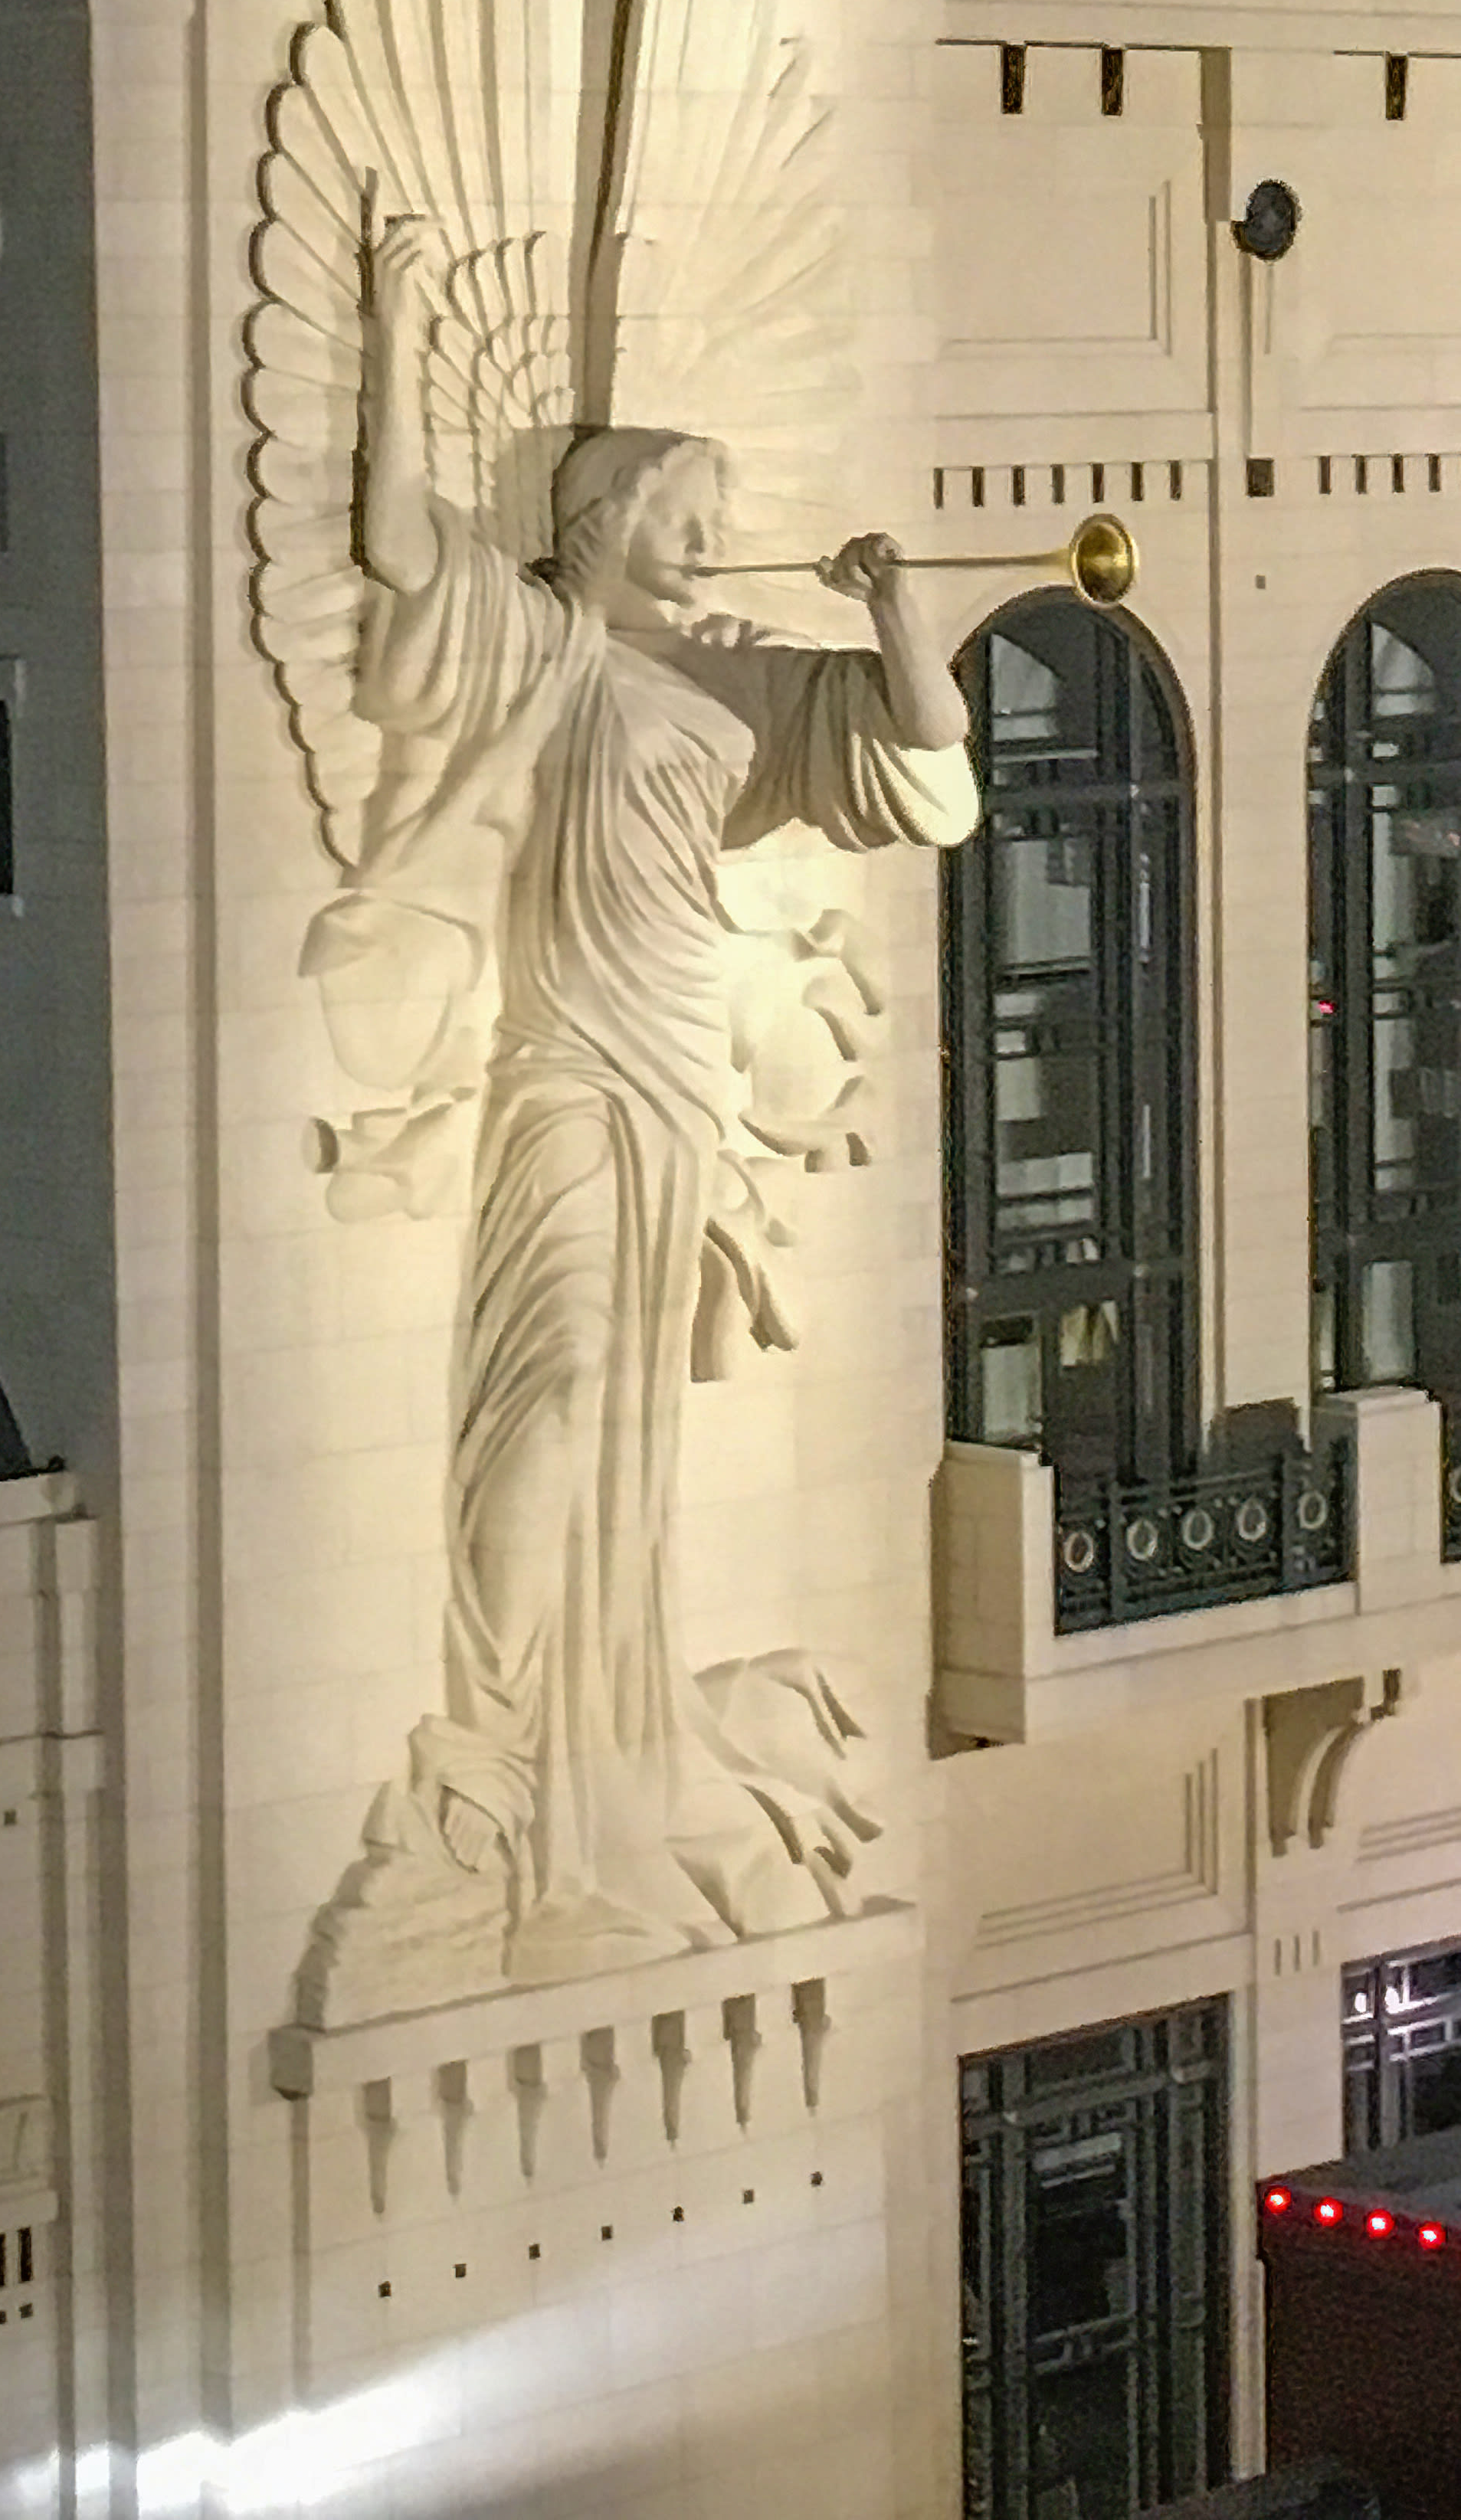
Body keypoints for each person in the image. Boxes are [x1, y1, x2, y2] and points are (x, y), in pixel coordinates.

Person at [323, 219, 976, 1991]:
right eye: (680, 524)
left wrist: (896, 603)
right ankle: (503, 1728)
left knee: (622, 1421)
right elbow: (394, 541)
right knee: (541, 1401)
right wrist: (388, 325)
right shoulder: (536, 649)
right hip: (557, 1069)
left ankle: (571, 1774)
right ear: (603, 534)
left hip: (680, 1065)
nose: (702, 554)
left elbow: (938, 784)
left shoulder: (743, 685)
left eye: (712, 529)